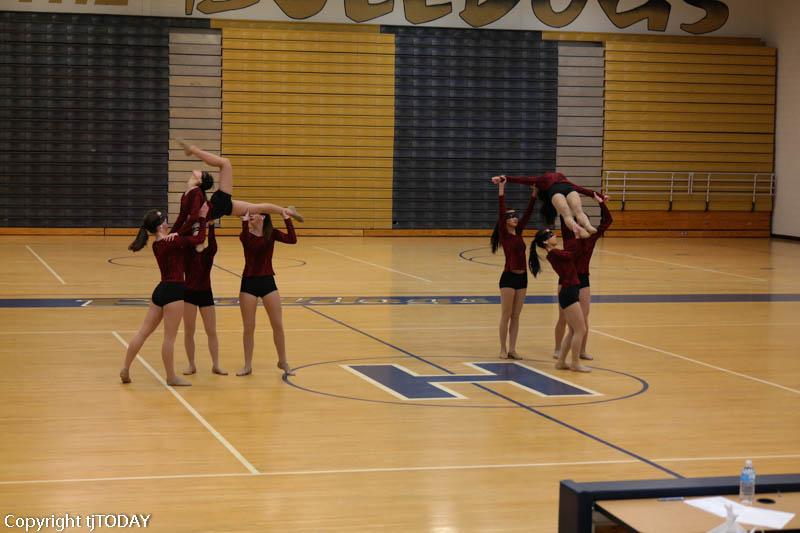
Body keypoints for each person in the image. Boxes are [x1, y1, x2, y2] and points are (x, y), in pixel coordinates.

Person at [120, 203, 209, 386]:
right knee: (169, 338)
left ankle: (125, 368)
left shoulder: (157, 244)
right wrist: (203, 218)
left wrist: (180, 230)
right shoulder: (173, 242)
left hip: (160, 290)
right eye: (165, 221)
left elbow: (176, 235)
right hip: (174, 291)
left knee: (143, 332)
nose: (168, 223)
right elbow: (200, 238)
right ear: (161, 225)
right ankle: (170, 377)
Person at [173, 140, 303, 250]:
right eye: (200, 172)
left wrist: (174, 233)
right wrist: (177, 233)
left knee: (257, 207)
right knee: (225, 163)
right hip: (218, 206)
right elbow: (191, 216)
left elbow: (190, 216)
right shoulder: (195, 192)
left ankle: (286, 211)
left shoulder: (193, 192)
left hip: (218, 207)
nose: (196, 171)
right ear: (200, 181)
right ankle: (193, 150)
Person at [553, 194, 613, 361]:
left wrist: (601, 203)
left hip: (583, 279)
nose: (581, 222)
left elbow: (608, 221)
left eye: (584, 220)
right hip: (566, 278)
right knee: (563, 317)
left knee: (584, 318)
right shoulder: (569, 234)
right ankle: (558, 348)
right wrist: (567, 198)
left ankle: (582, 350)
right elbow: (563, 213)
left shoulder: (592, 237)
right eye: (578, 220)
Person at [238, 210, 297, 378]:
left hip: (267, 282)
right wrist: (244, 221)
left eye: (254, 215)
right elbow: (250, 245)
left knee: (277, 324)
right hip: (248, 283)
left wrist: (287, 219)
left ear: (263, 218)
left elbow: (292, 240)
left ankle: (283, 361)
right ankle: (247, 364)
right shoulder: (245, 235)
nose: (251, 217)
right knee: (249, 327)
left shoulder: (271, 234)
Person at [529, 227, 590, 373]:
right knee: (581, 329)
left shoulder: (556, 253)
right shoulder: (555, 253)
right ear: (545, 241)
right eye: (551, 235)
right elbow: (574, 254)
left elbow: (574, 254)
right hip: (569, 292)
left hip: (570, 290)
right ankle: (575, 363)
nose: (555, 235)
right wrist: (577, 236)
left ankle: (561, 361)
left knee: (573, 330)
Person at [490, 176, 536, 359]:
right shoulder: (504, 234)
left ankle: (513, 349)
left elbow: (528, 213)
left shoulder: (518, 231)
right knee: (506, 315)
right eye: (511, 217)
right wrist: (501, 188)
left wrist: (534, 194)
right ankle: (502, 348)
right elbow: (502, 211)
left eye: (515, 216)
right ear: (505, 221)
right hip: (508, 278)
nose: (515, 218)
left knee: (516, 316)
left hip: (522, 278)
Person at [492, 171, 597, 238]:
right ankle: (588, 225)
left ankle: (578, 228)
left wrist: (504, 178)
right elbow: (580, 189)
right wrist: (598, 196)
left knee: (567, 216)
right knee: (579, 211)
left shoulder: (541, 180)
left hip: (555, 192)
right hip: (569, 188)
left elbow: (523, 180)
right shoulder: (564, 179)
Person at [183, 221, 227, 376]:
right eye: (195, 231)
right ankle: (191, 364)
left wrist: (212, 226)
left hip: (206, 293)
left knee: (211, 331)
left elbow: (213, 242)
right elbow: (184, 235)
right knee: (189, 331)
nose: (198, 233)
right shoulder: (187, 252)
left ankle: (216, 364)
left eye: (200, 231)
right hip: (189, 293)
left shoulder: (209, 251)